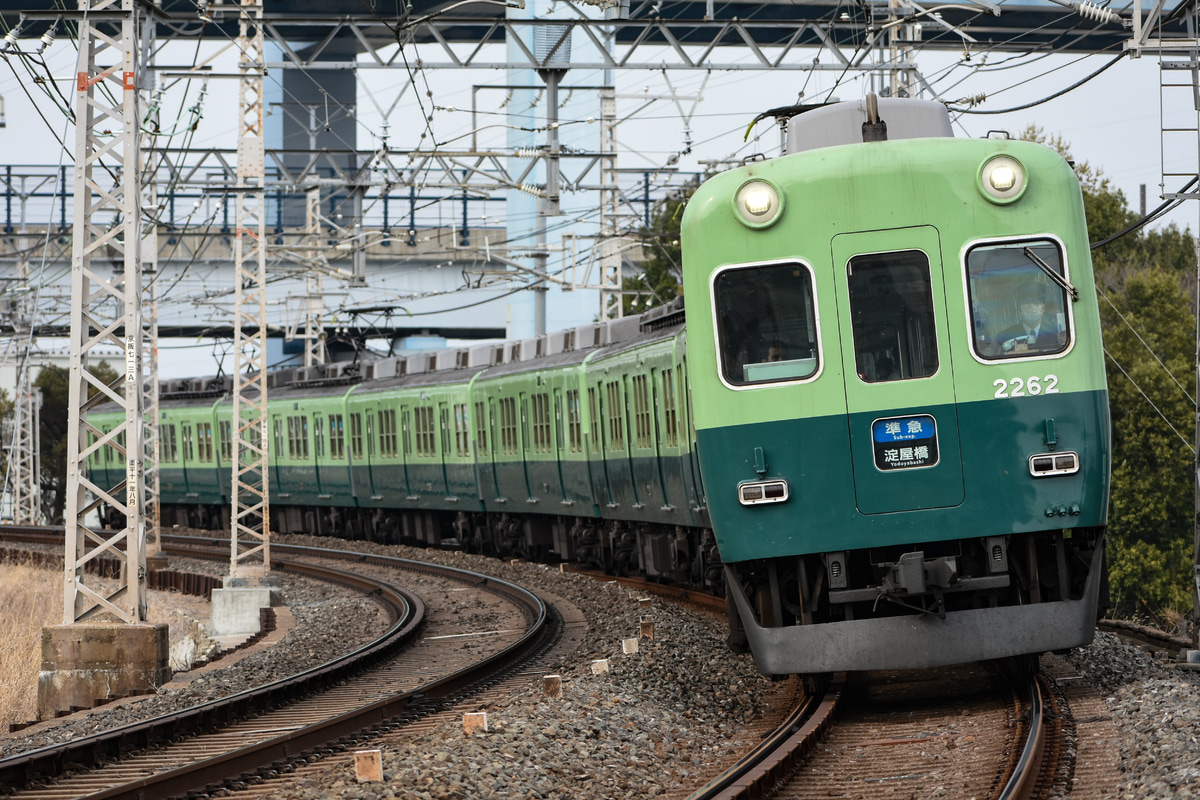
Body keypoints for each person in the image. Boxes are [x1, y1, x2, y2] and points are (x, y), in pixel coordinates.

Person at [998, 283, 1063, 355]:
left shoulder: (1055, 334)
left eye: (1036, 302)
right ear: (1019, 308)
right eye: (1026, 302)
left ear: (1043, 308)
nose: (1031, 306)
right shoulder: (1005, 337)